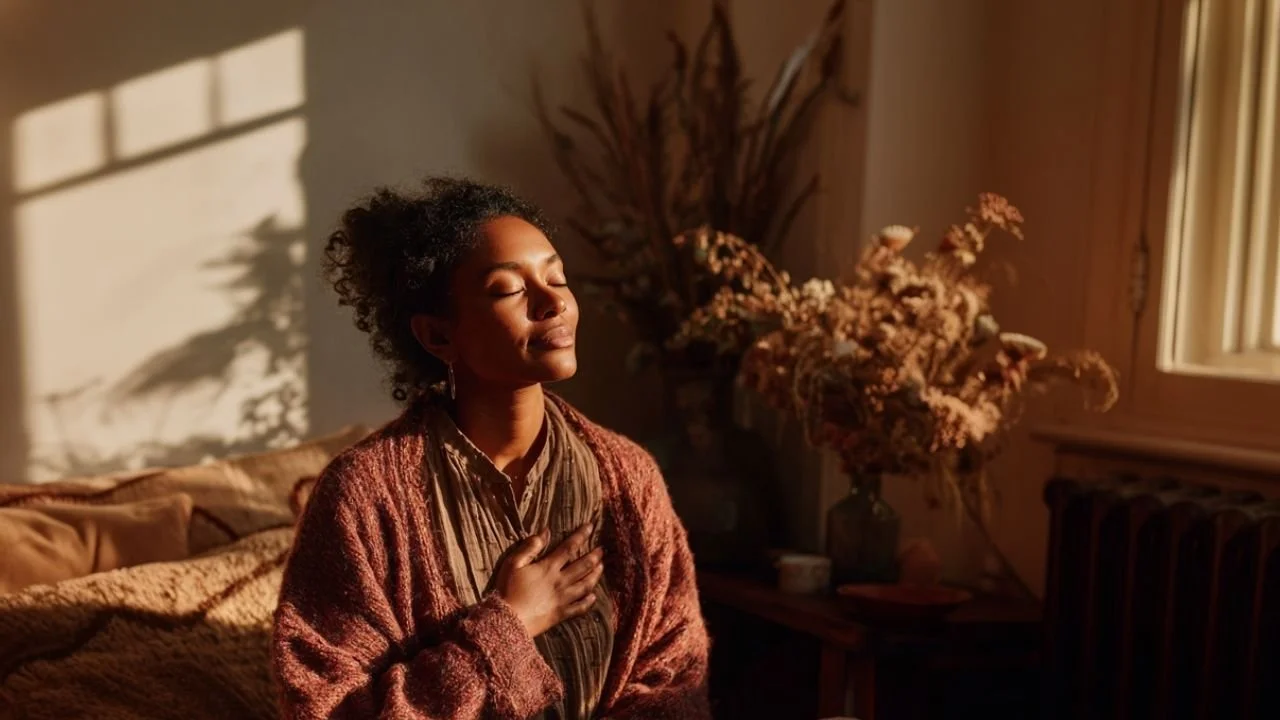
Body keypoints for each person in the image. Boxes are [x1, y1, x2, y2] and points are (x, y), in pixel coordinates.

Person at [271, 177, 711, 719]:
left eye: (558, 278)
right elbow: (327, 707)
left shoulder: (629, 478)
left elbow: (674, 680)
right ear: (438, 336)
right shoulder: (360, 497)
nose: (552, 303)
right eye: (509, 289)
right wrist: (508, 626)